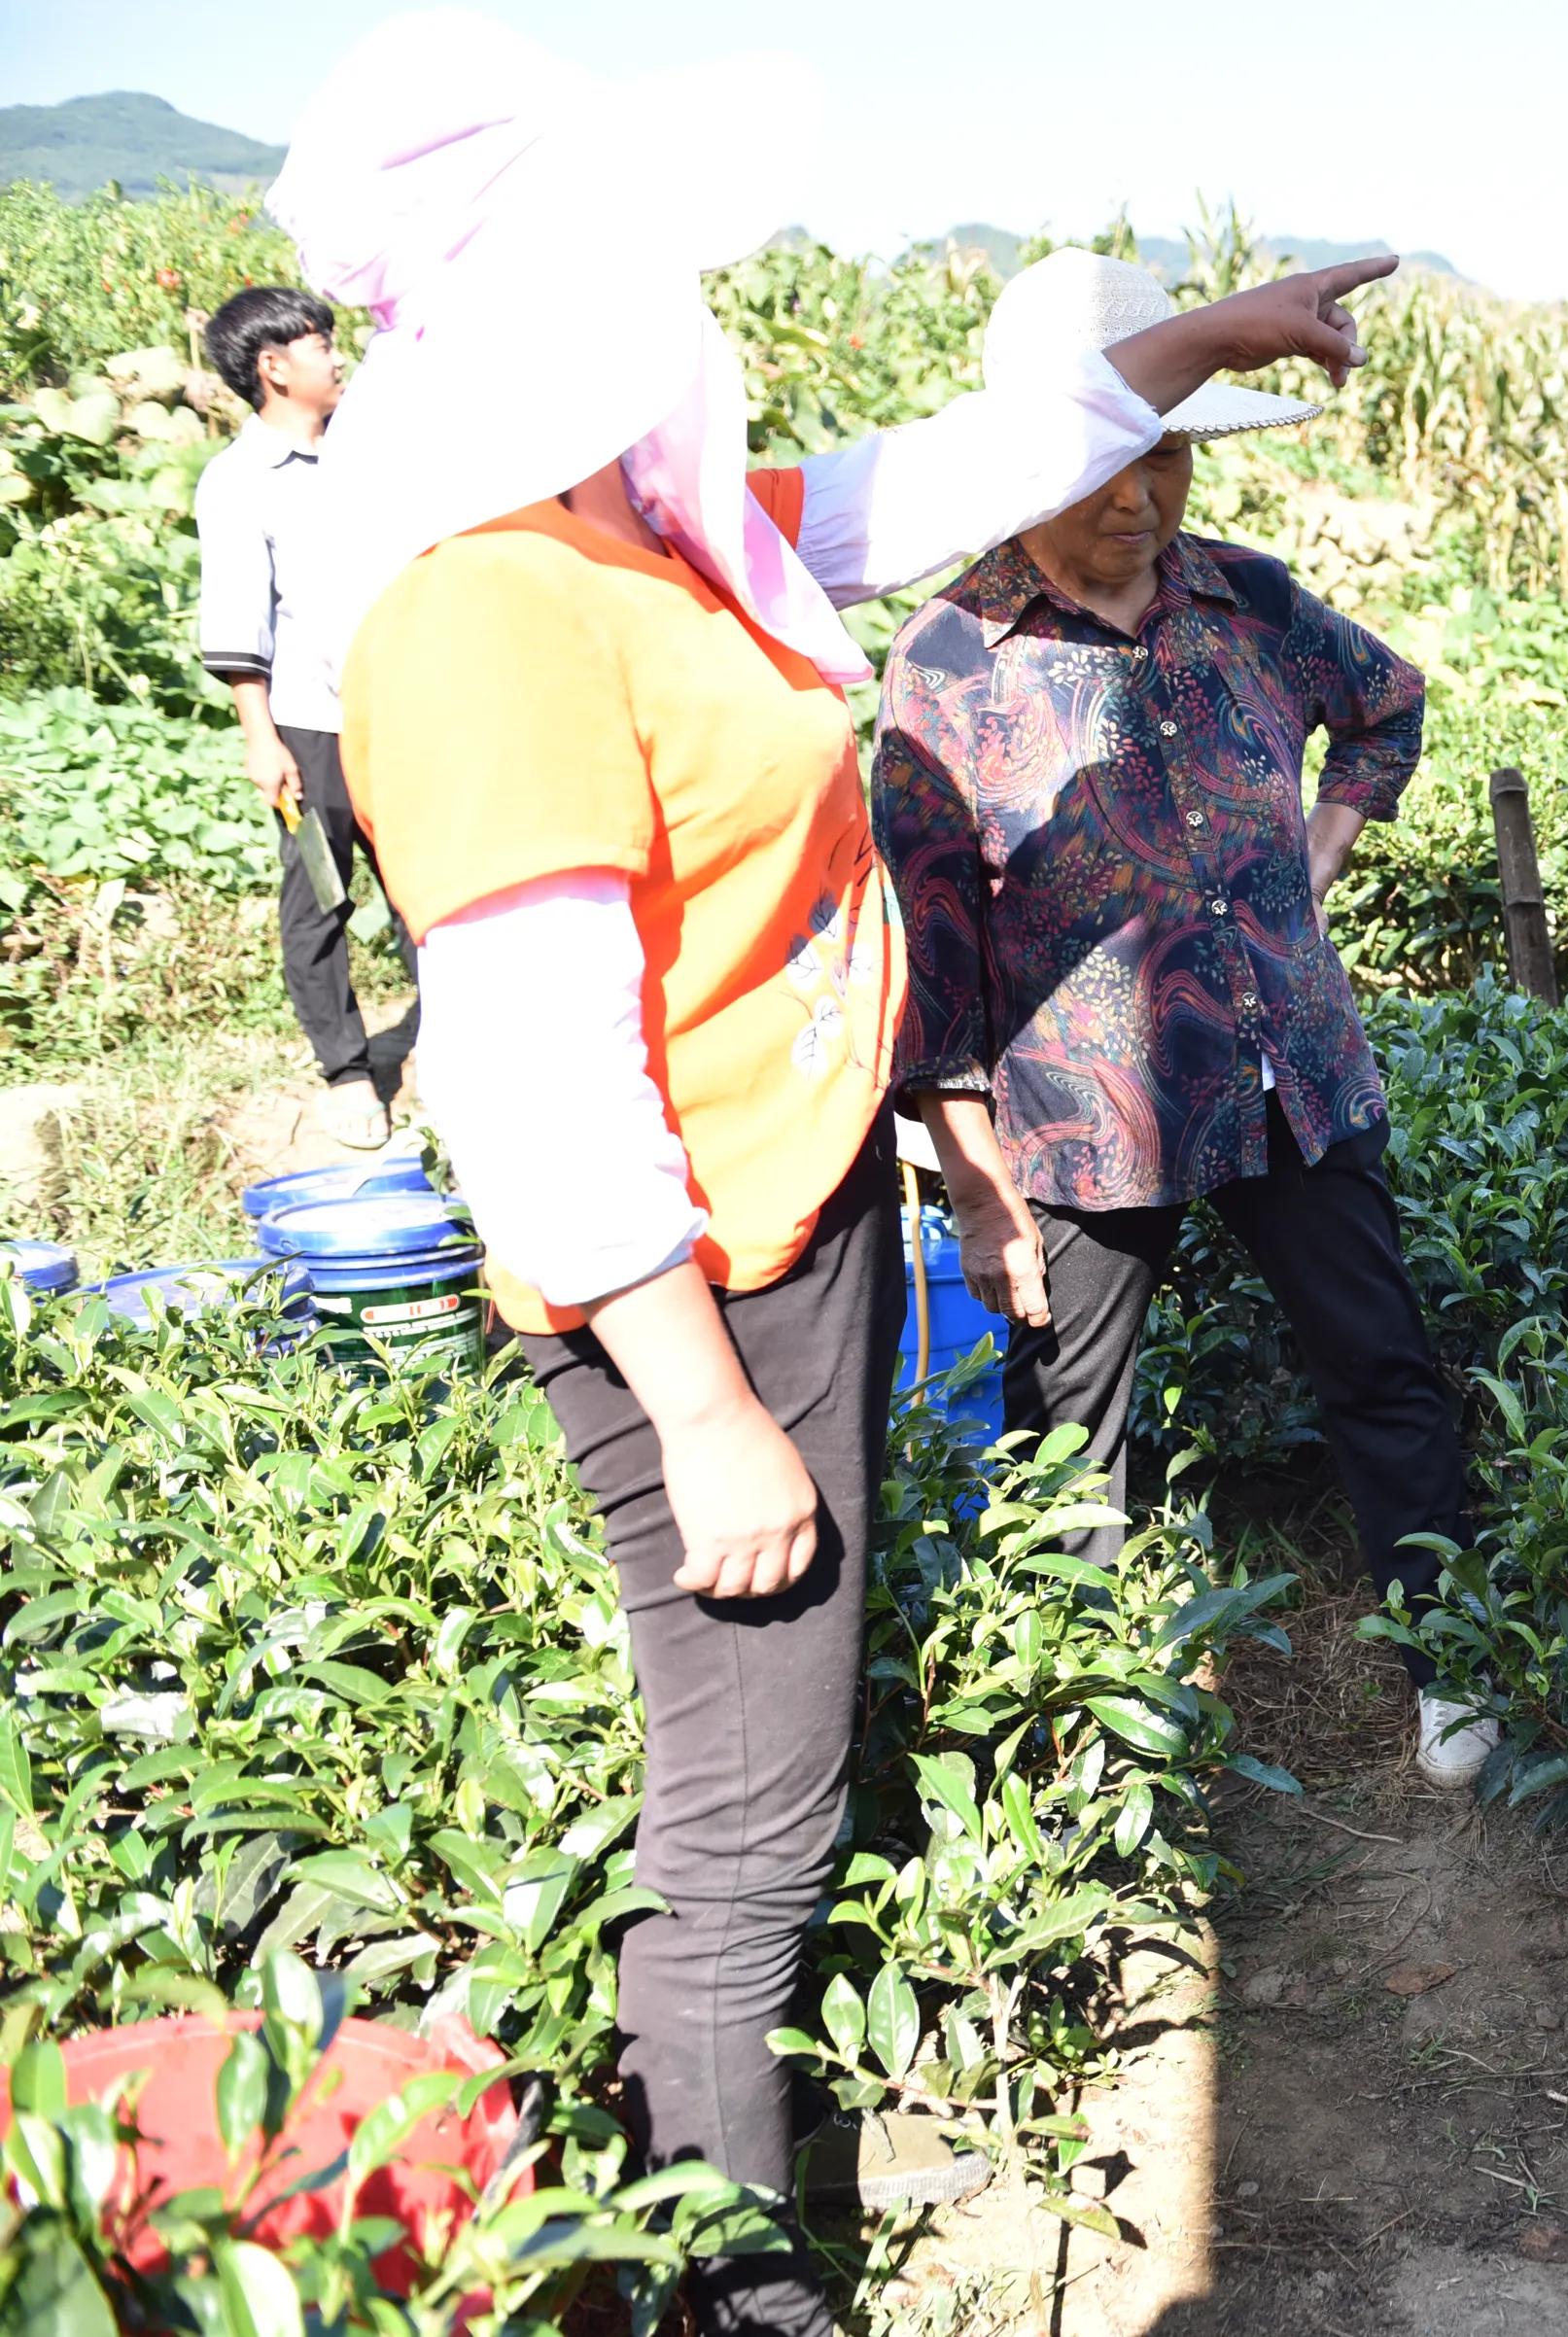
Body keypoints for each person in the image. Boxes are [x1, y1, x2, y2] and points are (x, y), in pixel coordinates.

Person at [268, 17, 1397, 2332]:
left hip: (789, 1221)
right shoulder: (493, 607)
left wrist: (1199, 340)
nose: (684, 318)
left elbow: (931, 475)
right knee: (749, 1816)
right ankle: (729, 2277)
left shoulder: (653, 542)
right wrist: (697, 1401)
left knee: (776, 1771)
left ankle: (732, 2215)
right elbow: (534, 1057)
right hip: (706, 1279)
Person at [874, 252, 1492, 1794]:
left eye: (1166, 449)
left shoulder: (1253, 600)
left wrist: (1328, 844)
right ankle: (1082, 1733)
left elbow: (1388, 704)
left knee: (1382, 1367)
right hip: (1082, 1114)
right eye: (1108, 456)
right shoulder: (949, 664)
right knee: (1071, 1425)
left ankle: (1455, 1656)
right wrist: (968, 1169)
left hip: (1293, 1073)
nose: (1142, 491)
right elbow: (932, 941)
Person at [193, 284, 412, 1148]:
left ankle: (460, 1022)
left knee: (425, 878)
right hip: (309, 721)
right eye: (319, 343)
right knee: (321, 895)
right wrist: (262, 737)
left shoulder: (369, 454)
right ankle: (348, 1069)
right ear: (273, 367)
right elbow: (238, 618)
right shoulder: (240, 480)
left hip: (398, 709)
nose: (336, 354)